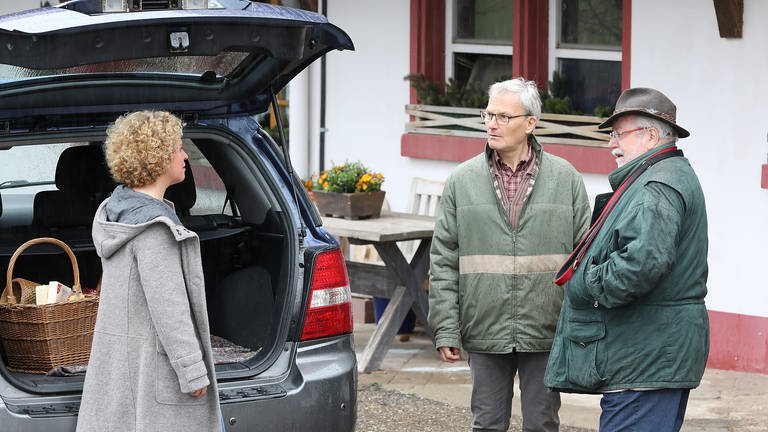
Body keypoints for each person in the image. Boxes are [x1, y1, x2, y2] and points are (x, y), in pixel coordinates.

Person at [429, 77, 591, 432]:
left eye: (504, 116)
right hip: (484, 326)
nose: (492, 124)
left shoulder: (566, 179)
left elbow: (585, 259)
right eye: (488, 115)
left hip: (546, 329)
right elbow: (443, 259)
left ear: (530, 123)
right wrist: (445, 328)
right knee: (486, 424)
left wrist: (579, 328)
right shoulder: (462, 180)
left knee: (543, 424)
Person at [544, 88, 709, 432]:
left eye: (619, 134)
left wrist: (583, 282)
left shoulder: (657, 185)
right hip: (649, 356)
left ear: (650, 136)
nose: (611, 144)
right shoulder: (661, 176)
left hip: (644, 360)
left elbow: (641, 264)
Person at [77, 111, 224, 432]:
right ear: (156, 156)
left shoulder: (116, 214)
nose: (185, 155)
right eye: (178, 148)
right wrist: (192, 370)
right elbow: (169, 307)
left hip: (125, 367)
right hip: (158, 373)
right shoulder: (155, 228)